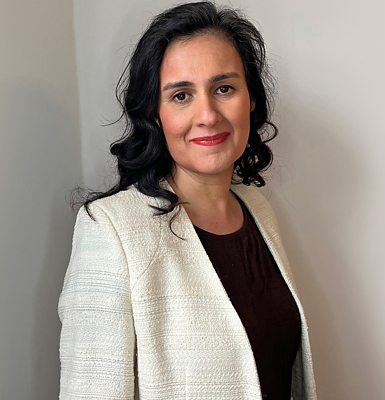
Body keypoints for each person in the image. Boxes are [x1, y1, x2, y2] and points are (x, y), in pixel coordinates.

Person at [58, 2, 317, 399]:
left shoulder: (258, 210)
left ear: (250, 98)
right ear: (155, 114)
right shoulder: (111, 228)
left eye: (224, 88)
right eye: (181, 95)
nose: (208, 115)